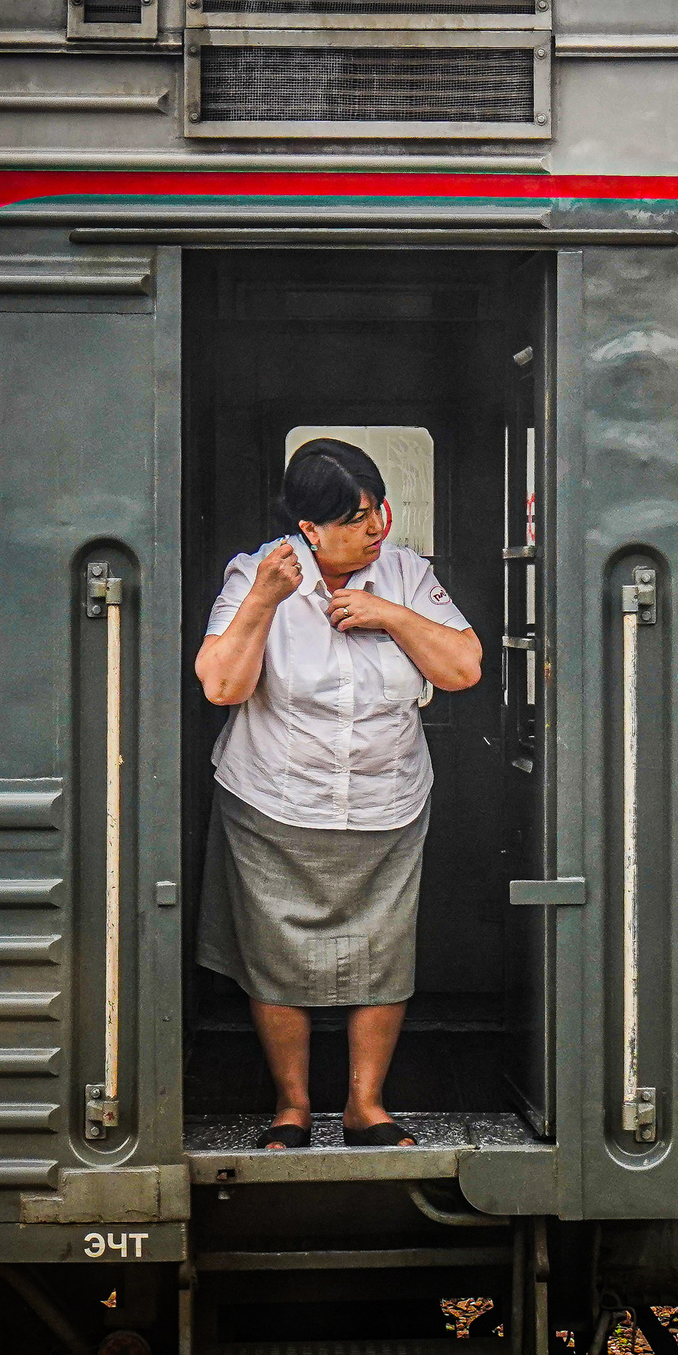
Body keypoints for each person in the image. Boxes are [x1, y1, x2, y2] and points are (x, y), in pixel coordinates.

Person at [193, 439, 483, 1150]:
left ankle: (365, 1106)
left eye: (379, 508)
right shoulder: (255, 574)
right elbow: (222, 684)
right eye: (356, 518)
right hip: (274, 801)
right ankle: (292, 1107)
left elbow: (464, 668)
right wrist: (264, 600)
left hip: (388, 800)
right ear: (310, 528)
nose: (376, 526)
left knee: (383, 956)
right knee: (276, 957)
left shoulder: (408, 574)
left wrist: (393, 616)